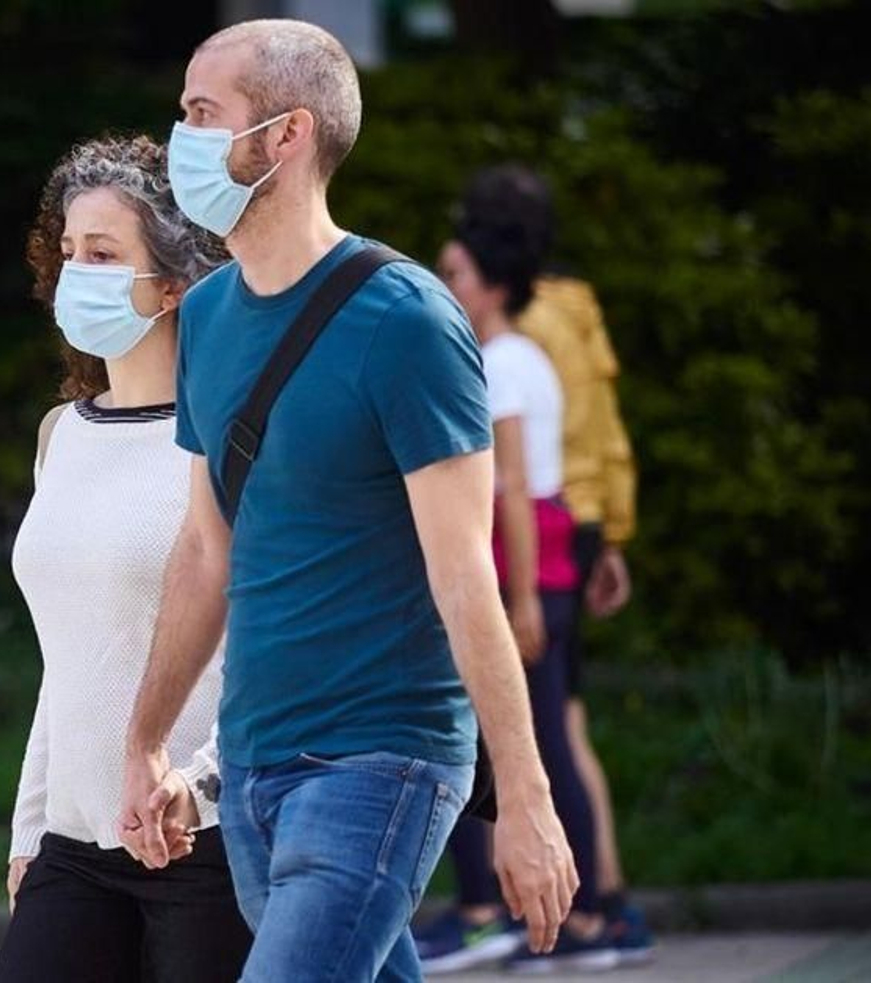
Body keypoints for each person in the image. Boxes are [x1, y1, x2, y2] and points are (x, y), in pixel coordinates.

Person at [113, 20, 577, 983]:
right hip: (255, 765)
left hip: (382, 760)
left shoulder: (406, 320)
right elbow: (206, 550)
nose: (180, 139)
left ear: (287, 134)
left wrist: (527, 796)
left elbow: (466, 574)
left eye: (204, 113)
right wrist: (148, 742)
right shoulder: (208, 316)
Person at [0, 135, 252, 983]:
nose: (77, 273)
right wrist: (31, 829)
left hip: (203, 840)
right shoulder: (60, 434)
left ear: (173, 283)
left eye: (103, 254)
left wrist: (200, 785)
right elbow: (66, 659)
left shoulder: (230, 438)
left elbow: (261, 645)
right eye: (69, 252)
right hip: (75, 846)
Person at [419, 213, 619, 973]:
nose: (446, 286)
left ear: (495, 286)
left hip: (520, 572)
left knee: (513, 744)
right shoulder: (529, 356)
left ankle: (524, 913)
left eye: (457, 274)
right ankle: (575, 913)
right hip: (547, 565)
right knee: (548, 740)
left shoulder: (498, 363)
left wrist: (524, 596)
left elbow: (512, 486)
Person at [468, 164, 652, 963]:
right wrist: (610, 530)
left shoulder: (516, 327)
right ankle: (603, 897)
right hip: (574, 520)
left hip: (532, 529)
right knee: (561, 722)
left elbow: (518, 457)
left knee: (547, 726)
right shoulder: (578, 309)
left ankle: (583, 905)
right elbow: (602, 427)